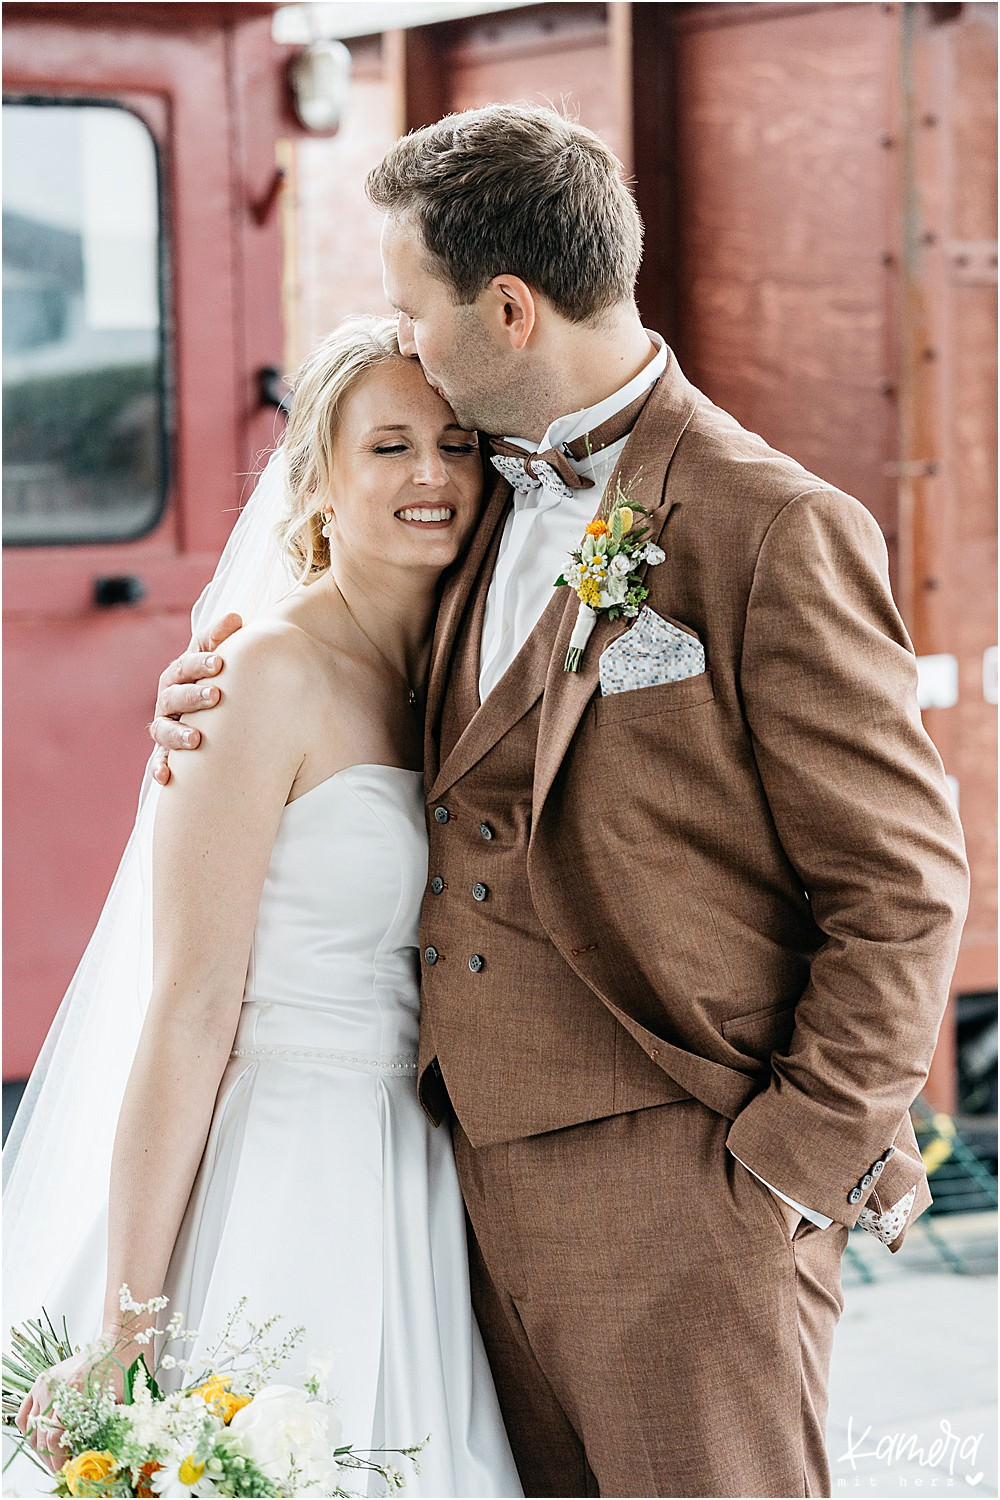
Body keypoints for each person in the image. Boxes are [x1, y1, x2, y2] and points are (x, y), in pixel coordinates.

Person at [150, 107, 970, 1499]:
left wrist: (790, 1168)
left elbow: (902, 890)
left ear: (508, 309)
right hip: (453, 1205)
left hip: (691, 1208)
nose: (405, 341)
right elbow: (370, 692)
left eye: (415, 309)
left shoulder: (771, 525)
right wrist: (214, 692)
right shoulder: (472, 498)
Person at [5, 316, 522, 1499]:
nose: (432, 476)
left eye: (455, 444)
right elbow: (187, 1008)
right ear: (320, 480)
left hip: (433, 1172)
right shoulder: (254, 677)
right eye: (388, 447)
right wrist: (127, 1330)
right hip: (287, 1156)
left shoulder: (475, 671)